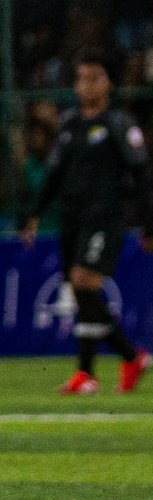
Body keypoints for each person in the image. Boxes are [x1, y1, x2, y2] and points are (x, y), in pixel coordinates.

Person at [22, 49, 152, 394]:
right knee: (82, 292)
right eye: (81, 78)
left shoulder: (119, 124)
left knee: (83, 282)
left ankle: (112, 363)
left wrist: (149, 223)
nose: (86, 85)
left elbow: (142, 175)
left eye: (94, 77)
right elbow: (53, 174)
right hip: (73, 219)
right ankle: (98, 370)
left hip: (105, 217)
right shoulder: (69, 125)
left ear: (108, 83)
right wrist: (34, 213)